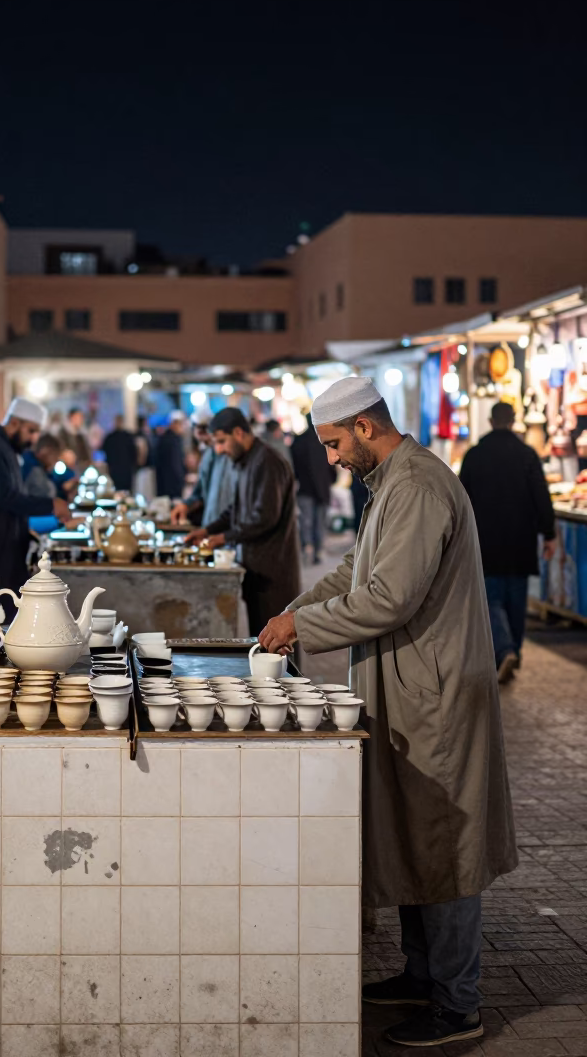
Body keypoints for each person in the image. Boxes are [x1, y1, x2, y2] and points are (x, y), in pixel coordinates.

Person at [258, 376, 516, 1049]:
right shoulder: (391, 485)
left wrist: (303, 631)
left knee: (446, 841)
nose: (333, 458)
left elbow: (391, 599)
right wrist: (294, 611)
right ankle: (421, 973)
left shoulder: (421, 487)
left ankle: (458, 1005)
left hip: (437, 694)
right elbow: (355, 573)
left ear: (366, 427)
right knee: (410, 829)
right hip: (407, 687)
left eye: (336, 444)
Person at [460, 400, 556, 683]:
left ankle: (504, 650)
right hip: (521, 541)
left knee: (492, 600)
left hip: (486, 541)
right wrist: (548, 533)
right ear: (513, 421)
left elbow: (461, 500)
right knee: (516, 600)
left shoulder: (475, 455)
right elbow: (542, 495)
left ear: (490, 421)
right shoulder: (527, 454)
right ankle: (513, 650)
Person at [187, 408, 300, 635]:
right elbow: (235, 510)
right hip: (255, 569)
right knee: (261, 644)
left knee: (277, 652)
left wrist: (222, 538)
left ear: (238, 433)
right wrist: (207, 530)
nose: (218, 450)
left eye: (221, 442)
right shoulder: (246, 461)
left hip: (273, 574)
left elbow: (264, 518)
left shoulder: (267, 462)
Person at [0, 398, 70, 601]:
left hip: (0, 544)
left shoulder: (3, 448)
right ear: (15, 423)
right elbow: (6, 498)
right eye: (31, 431)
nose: (34, 439)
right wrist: (51, 504)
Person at [170, 418, 236, 527]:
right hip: (211, 524)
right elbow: (201, 492)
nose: (203, 445)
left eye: (206, 441)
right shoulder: (208, 455)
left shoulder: (232, 457)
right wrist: (186, 505)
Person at [290, 421, 336, 561]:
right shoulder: (324, 441)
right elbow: (332, 465)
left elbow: (293, 466)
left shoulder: (298, 441)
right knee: (319, 521)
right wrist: (331, 480)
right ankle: (318, 550)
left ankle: (307, 547)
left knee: (306, 521)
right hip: (322, 488)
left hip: (305, 488)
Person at [27, 432, 78, 502]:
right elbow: (45, 496)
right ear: (45, 451)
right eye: (55, 455)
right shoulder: (34, 470)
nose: (56, 460)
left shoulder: (43, 469)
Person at [155, 411, 187, 499]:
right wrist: (182, 479)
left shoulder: (165, 437)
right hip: (172, 484)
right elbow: (175, 463)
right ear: (175, 424)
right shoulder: (172, 440)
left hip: (164, 484)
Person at [102, 416, 138, 492]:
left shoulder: (127, 437)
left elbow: (133, 453)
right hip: (116, 470)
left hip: (124, 470)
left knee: (125, 491)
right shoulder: (111, 437)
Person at [59, 407, 93, 474]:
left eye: (81, 417)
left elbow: (86, 451)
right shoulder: (63, 433)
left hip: (82, 468)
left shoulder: (81, 434)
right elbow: (62, 448)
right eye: (77, 417)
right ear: (71, 417)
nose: (80, 420)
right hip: (68, 468)